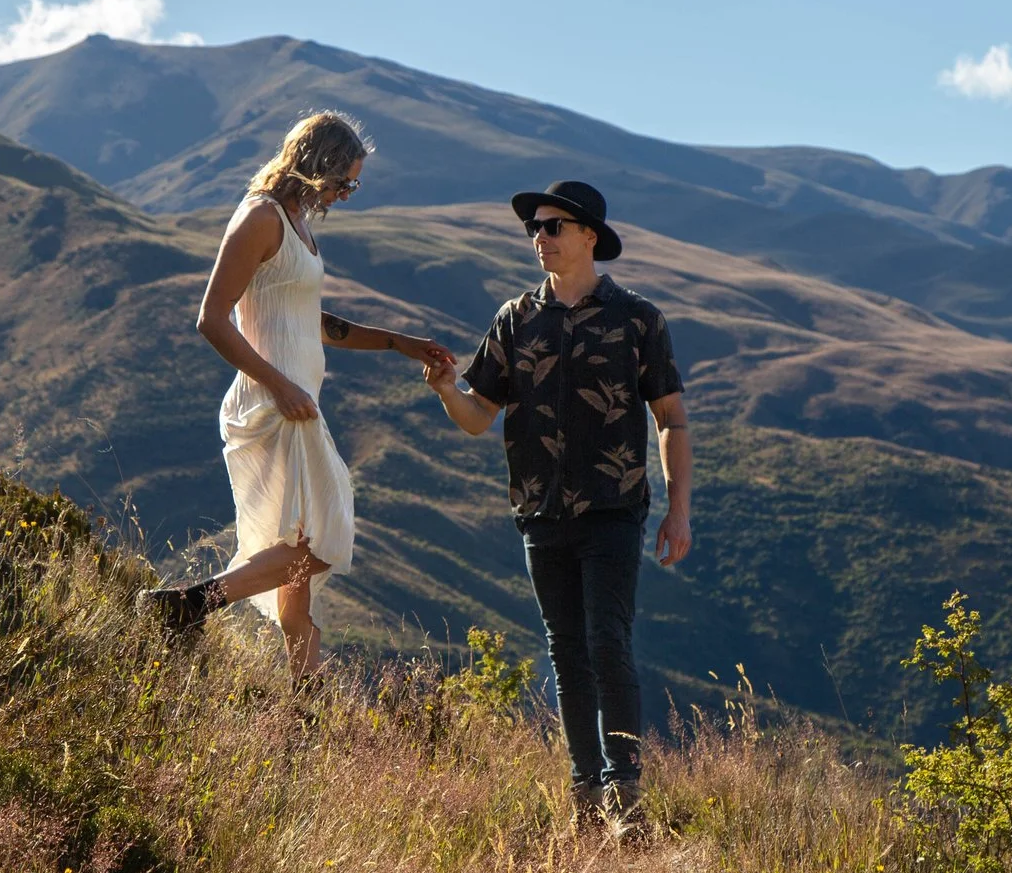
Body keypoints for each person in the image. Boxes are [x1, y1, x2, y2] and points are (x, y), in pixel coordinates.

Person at [139, 112, 454, 680]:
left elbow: (310, 319)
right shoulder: (260, 217)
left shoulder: (297, 224)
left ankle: (302, 702)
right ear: (319, 167)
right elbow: (212, 320)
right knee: (326, 541)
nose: (346, 194)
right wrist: (279, 385)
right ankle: (187, 606)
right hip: (273, 404)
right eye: (345, 182)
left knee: (300, 565)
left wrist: (395, 343)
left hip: (296, 400)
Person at [422, 179, 692, 832]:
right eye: (533, 229)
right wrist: (442, 389)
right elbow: (479, 415)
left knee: (607, 641)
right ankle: (587, 799)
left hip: (613, 508)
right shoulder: (516, 319)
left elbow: (671, 419)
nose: (538, 238)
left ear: (588, 237)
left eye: (551, 227)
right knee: (567, 652)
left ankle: (627, 794)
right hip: (540, 512)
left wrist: (678, 508)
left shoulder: (637, 319)